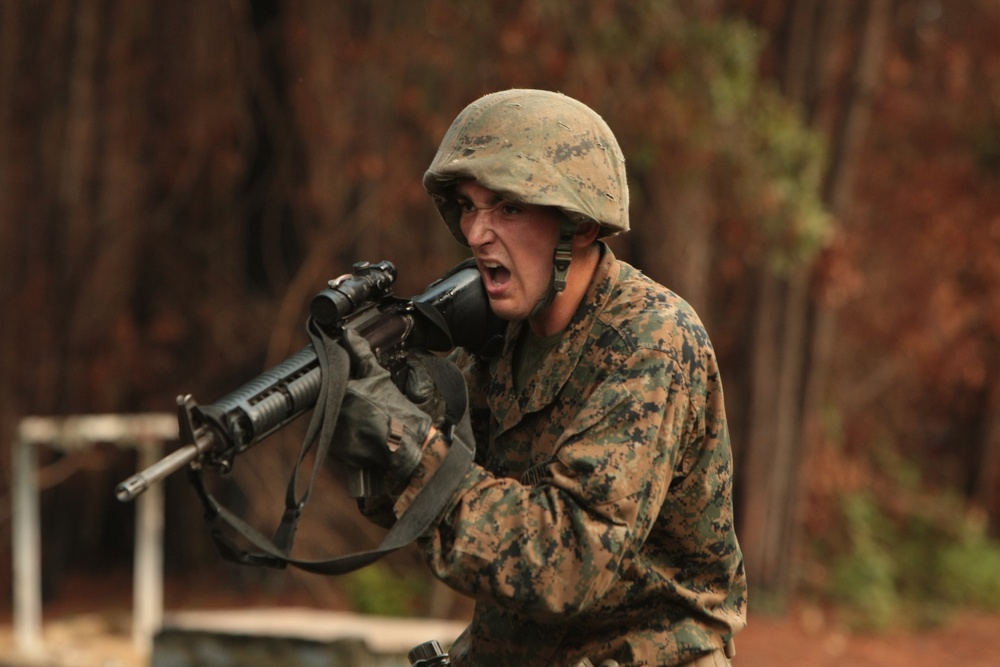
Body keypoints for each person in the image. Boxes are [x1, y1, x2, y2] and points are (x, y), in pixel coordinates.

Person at [331, 89, 747, 667]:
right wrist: (378, 432)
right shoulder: (501, 340)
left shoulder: (652, 341)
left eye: (507, 207)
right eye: (469, 207)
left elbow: (571, 562)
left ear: (576, 226)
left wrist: (411, 449)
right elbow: (455, 527)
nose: (476, 234)